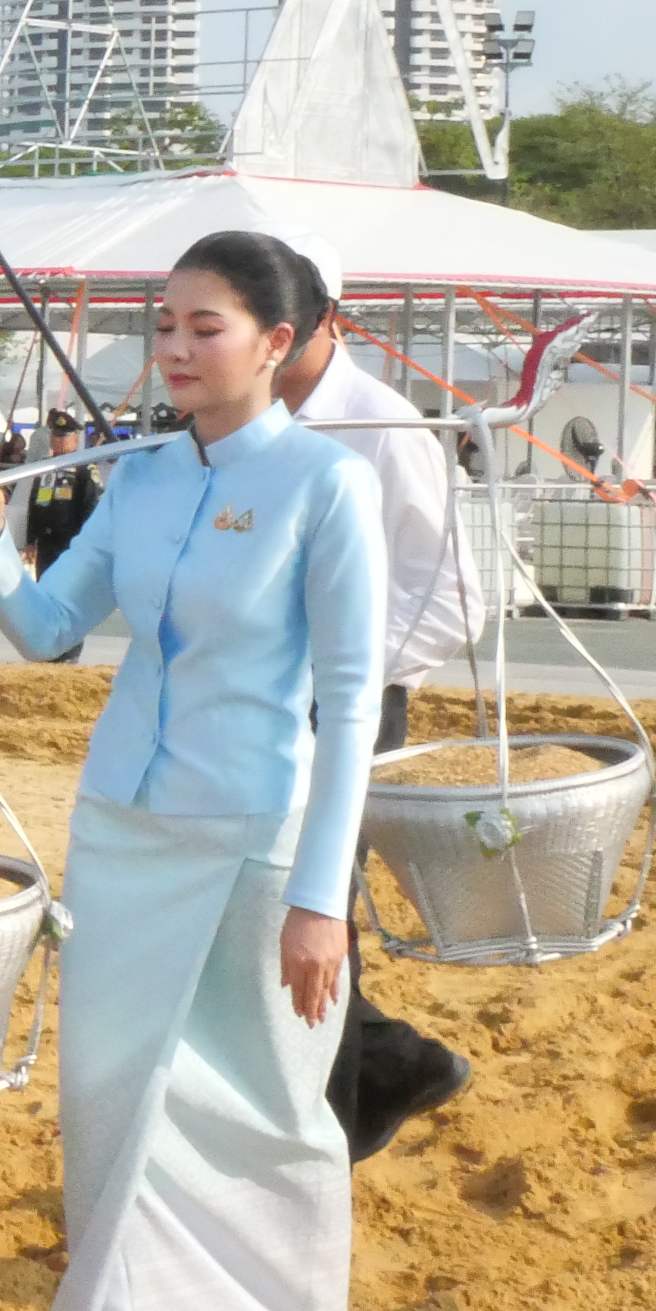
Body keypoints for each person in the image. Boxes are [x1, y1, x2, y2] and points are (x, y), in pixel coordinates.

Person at [0, 230, 382, 1311]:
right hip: (121, 829)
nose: (176, 347)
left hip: (256, 835)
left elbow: (348, 703)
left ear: (277, 342)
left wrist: (320, 899)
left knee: (269, 1103)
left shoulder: (323, 486)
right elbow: (45, 633)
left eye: (207, 326)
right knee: (110, 1104)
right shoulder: (136, 478)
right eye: (166, 324)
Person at [264, 232, 484, 1159]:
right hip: (260, 696)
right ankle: (390, 1067)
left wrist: (352, 671)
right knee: (271, 903)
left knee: (315, 905)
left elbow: (452, 595)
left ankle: (340, 1115)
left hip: (350, 700)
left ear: (320, 321)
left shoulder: (385, 426)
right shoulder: (246, 423)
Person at [25, 410, 101, 573]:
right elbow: (35, 503)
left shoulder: (83, 467)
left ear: (75, 438)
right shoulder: (45, 466)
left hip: (71, 540)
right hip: (46, 541)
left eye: (64, 436)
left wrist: (85, 542)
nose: (59, 441)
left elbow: (90, 507)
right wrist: (30, 540)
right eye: (56, 436)